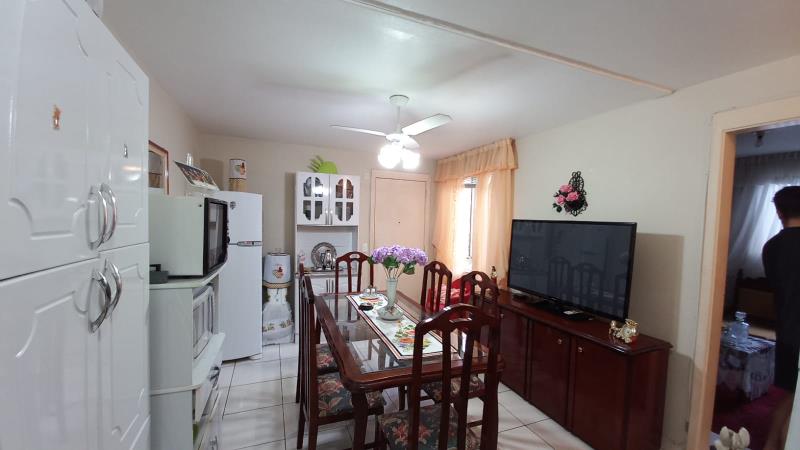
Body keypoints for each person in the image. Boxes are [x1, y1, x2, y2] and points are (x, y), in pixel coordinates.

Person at [763, 186, 800, 450]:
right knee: (793, 399)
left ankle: (770, 442)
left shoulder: (771, 247)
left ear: (778, 213)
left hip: (785, 329)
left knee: (789, 392)